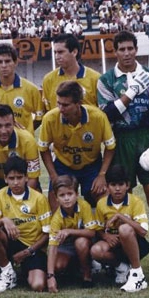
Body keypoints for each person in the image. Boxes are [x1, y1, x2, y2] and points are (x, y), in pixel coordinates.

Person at [97, 31, 149, 263]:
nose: (126, 53)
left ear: (136, 49)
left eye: (130, 48)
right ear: (115, 51)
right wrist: (130, 93)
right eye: (122, 49)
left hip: (146, 138)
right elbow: (106, 114)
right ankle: (124, 256)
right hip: (120, 140)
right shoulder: (106, 80)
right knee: (121, 198)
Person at [39, 80, 116, 211]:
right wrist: (53, 176)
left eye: (65, 105)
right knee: (55, 201)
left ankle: (97, 229)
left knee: (104, 200)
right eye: (58, 103)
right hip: (63, 166)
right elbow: (43, 149)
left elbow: (110, 147)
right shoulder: (50, 118)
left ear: (78, 103)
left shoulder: (98, 117)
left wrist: (102, 174)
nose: (60, 109)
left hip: (91, 165)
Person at [0, 156, 51, 293]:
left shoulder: (39, 198)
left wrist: (28, 252)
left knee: (37, 285)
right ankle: (7, 272)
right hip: (11, 242)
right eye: (11, 178)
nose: (15, 182)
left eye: (19, 177)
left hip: (33, 247)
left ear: (26, 177)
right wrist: (4, 220)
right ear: (5, 179)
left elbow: (47, 234)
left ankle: (26, 270)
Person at [90, 165, 149, 292]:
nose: (117, 189)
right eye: (113, 184)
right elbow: (98, 228)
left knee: (125, 229)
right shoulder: (101, 203)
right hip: (113, 244)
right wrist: (106, 236)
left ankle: (137, 274)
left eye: (121, 184)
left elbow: (143, 231)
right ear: (107, 186)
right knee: (96, 250)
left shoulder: (136, 202)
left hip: (135, 244)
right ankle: (122, 267)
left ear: (127, 185)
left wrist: (120, 217)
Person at [0, 43, 44, 133]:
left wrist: (25, 132)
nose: (4, 65)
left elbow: (40, 117)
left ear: (15, 63)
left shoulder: (31, 89)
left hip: (23, 145)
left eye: (7, 61)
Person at [46, 175, 97, 293]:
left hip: (84, 242)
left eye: (70, 194)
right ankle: (74, 268)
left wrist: (69, 231)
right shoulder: (56, 218)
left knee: (81, 242)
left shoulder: (84, 206)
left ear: (76, 194)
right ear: (56, 198)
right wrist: (50, 276)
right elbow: (52, 247)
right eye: (62, 195)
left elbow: (92, 232)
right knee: (58, 266)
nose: (67, 198)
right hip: (67, 247)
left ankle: (87, 274)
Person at [41, 33, 100, 112]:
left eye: (61, 52)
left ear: (74, 52)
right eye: (55, 52)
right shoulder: (48, 79)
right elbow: (47, 112)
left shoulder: (95, 78)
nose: (57, 56)